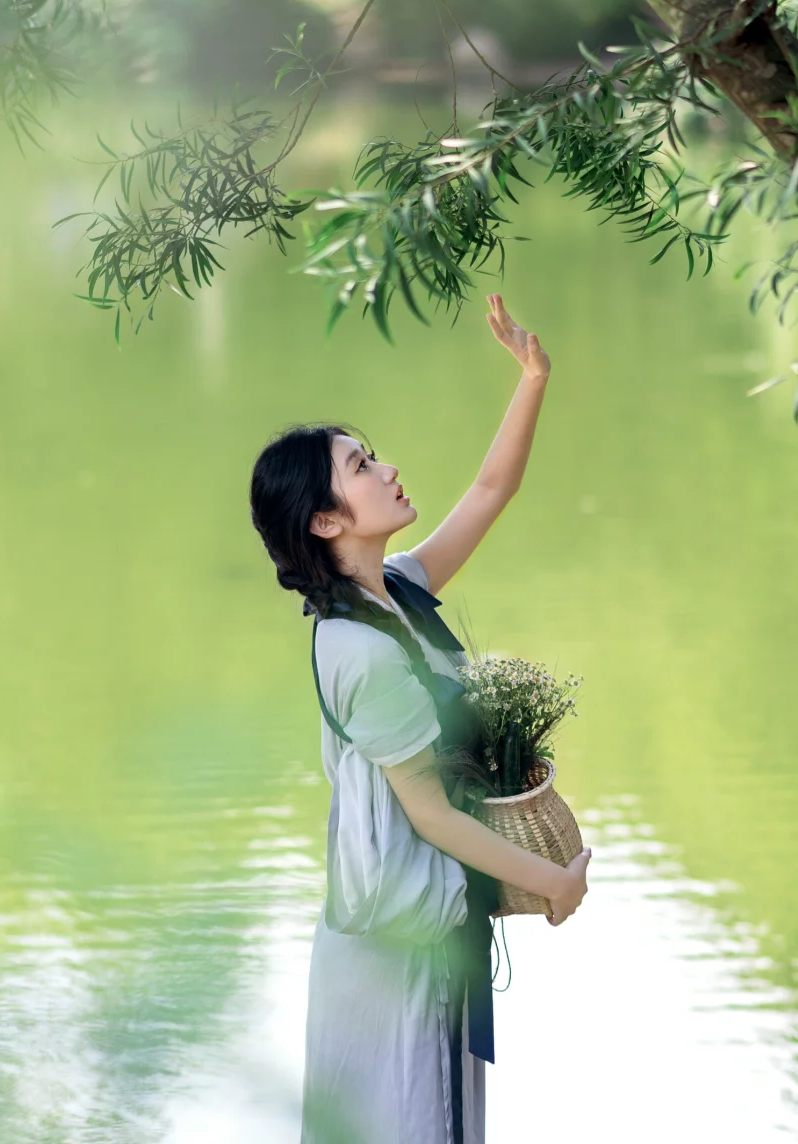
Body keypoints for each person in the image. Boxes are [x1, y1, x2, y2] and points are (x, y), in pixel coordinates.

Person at [249, 295, 592, 1144]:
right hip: (394, 957)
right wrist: (550, 882)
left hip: (419, 935)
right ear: (327, 521)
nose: (386, 469)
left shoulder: (395, 590)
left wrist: (533, 377)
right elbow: (429, 814)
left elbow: (489, 490)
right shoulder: (361, 651)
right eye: (362, 466)